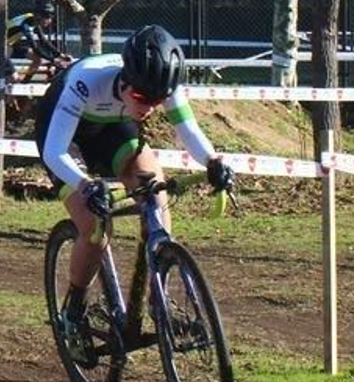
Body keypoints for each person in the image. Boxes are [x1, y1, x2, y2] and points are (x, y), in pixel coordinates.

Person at [34, 25, 233, 362]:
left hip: (115, 126)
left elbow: (188, 131)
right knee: (96, 229)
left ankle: (159, 294)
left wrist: (214, 161)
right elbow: (55, 152)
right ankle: (74, 309)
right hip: (66, 138)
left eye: (157, 100)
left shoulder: (158, 85)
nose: (152, 106)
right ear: (125, 81)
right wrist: (85, 184)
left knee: (154, 191)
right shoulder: (86, 81)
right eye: (143, 98)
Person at [7, 1, 70, 83]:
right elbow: (35, 47)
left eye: (51, 17)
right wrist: (53, 60)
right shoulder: (25, 25)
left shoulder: (34, 20)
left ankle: (24, 83)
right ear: (39, 16)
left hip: (11, 44)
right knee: (14, 78)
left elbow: (44, 41)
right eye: (48, 17)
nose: (50, 20)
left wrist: (61, 55)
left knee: (38, 60)